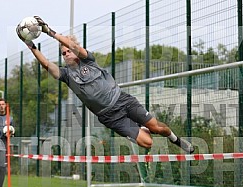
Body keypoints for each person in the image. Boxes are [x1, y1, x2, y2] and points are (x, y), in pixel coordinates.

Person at [16, 16, 194, 154]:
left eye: (69, 50)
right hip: (110, 116)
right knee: (147, 143)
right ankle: (140, 128)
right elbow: (47, 64)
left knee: (157, 128)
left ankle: (175, 140)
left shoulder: (89, 60)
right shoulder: (66, 75)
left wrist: (50, 32)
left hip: (123, 100)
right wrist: (30, 44)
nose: (67, 54)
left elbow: (71, 45)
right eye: (63, 53)